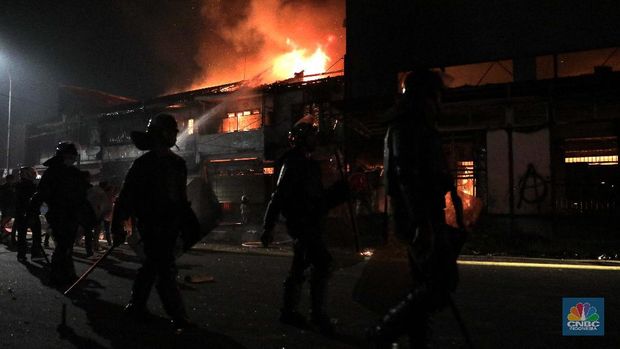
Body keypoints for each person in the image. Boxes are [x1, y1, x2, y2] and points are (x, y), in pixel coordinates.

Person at [367, 69, 465, 348]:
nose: (440, 103)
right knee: (439, 283)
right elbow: (407, 174)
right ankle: (382, 333)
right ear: (426, 97)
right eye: (437, 97)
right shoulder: (408, 127)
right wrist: (422, 222)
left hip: (422, 215)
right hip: (419, 218)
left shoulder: (416, 125)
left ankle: (416, 341)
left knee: (423, 283)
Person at [261, 119, 348, 335]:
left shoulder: (309, 164)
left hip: (311, 221)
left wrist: (339, 192)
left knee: (299, 266)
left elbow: (317, 200)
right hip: (302, 223)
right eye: (311, 136)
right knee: (323, 263)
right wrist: (268, 226)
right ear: (301, 139)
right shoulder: (293, 163)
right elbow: (279, 196)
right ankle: (317, 315)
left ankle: (288, 311)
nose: (315, 139)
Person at [111, 113, 195, 332]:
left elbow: (181, 198)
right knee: (165, 268)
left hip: (171, 225)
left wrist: (188, 224)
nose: (172, 135)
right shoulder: (142, 165)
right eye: (169, 131)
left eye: (173, 132)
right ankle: (177, 315)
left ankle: (135, 305)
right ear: (159, 134)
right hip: (150, 225)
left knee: (152, 266)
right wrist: (117, 226)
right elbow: (126, 197)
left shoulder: (178, 164)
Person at [31, 142, 91, 286]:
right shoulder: (53, 172)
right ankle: (59, 274)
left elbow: (84, 195)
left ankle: (66, 273)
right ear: (61, 156)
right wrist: (34, 209)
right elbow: (41, 194)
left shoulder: (75, 173)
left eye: (73, 156)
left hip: (72, 215)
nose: (71, 159)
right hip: (57, 214)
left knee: (66, 245)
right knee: (63, 245)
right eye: (68, 156)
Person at [14, 167, 44, 261]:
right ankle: (35, 253)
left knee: (22, 235)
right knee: (36, 234)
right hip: (31, 213)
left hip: (20, 214)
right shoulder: (32, 186)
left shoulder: (17, 185)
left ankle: (21, 255)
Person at [0, 174, 17, 245]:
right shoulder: (4, 187)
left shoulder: (13, 187)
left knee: (6, 219)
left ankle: (4, 234)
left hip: (9, 207)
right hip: (7, 207)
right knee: (5, 219)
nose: (12, 181)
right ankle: (3, 234)